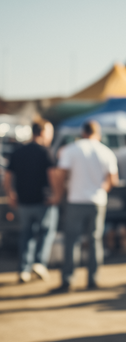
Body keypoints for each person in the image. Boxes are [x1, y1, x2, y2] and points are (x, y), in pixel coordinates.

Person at [52, 120, 118, 292]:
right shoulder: (106, 151)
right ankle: (93, 279)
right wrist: (101, 189)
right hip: (97, 201)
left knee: (71, 240)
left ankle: (67, 280)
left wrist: (60, 194)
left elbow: (61, 174)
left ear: (82, 132)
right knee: (95, 240)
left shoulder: (71, 149)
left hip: (75, 199)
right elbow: (113, 179)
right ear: (98, 133)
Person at [3, 120, 59, 283]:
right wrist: (56, 194)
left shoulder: (19, 151)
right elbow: (52, 176)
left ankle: (24, 269)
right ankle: (39, 263)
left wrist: (10, 194)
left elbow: (8, 177)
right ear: (42, 132)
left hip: (23, 201)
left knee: (26, 235)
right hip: (43, 200)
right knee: (46, 233)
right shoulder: (46, 152)